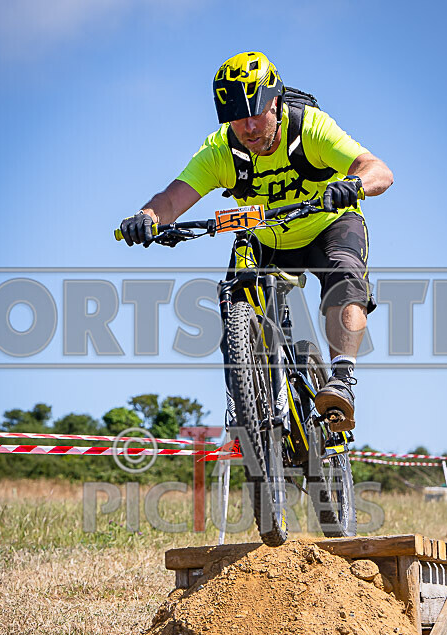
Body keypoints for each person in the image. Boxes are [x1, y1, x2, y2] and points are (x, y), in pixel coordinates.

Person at [120, 51, 393, 431]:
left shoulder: (309, 128)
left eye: (255, 113)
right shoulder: (221, 151)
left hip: (325, 224)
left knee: (345, 276)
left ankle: (342, 380)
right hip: (265, 236)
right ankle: (246, 400)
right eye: (236, 118)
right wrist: (147, 218)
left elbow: (378, 170)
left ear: (276, 101)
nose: (247, 127)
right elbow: (172, 199)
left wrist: (353, 184)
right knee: (231, 297)